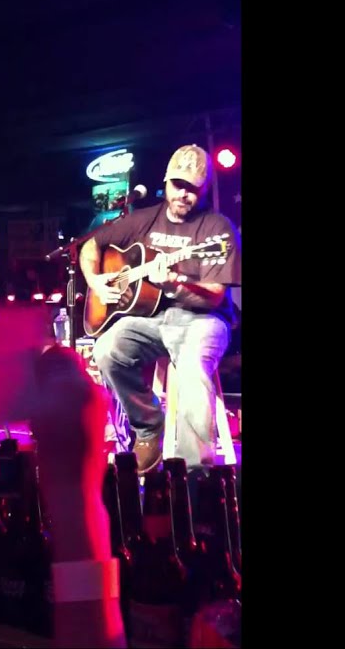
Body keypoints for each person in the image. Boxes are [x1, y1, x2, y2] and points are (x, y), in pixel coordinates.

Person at [82, 144, 242, 475]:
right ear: (166, 181)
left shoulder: (217, 230)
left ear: (204, 189)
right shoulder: (143, 219)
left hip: (203, 320)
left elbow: (214, 296)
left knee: (192, 368)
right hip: (152, 318)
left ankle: (192, 475)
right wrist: (95, 281)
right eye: (178, 185)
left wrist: (175, 284)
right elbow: (91, 245)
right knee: (106, 349)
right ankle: (148, 429)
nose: (183, 194)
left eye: (192, 188)